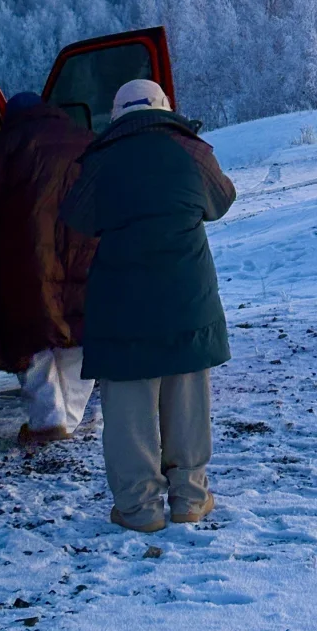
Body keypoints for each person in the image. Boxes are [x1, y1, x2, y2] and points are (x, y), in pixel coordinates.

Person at [59, 79, 236, 533]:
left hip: (123, 308)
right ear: (164, 107)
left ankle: (139, 510)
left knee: (129, 416)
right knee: (188, 405)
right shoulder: (192, 151)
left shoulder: (100, 160)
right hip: (188, 302)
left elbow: (77, 217)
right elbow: (222, 200)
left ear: (116, 115)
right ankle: (190, 500)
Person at [0, 91, 96, 443]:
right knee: (77, 332)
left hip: (27, 252)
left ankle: (47, 423)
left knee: (29, 335)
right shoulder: (84, 138)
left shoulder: (9, 144)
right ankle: (68, 421)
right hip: (84, 249)